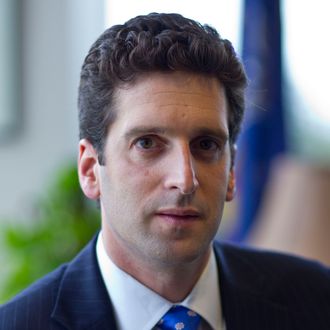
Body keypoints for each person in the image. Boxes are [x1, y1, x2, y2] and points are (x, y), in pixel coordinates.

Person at [0, 12, 329, 330]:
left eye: (205, 145)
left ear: (231, 172)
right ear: (90, 170)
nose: (185, 180)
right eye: (147, 143)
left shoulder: (316, 301)